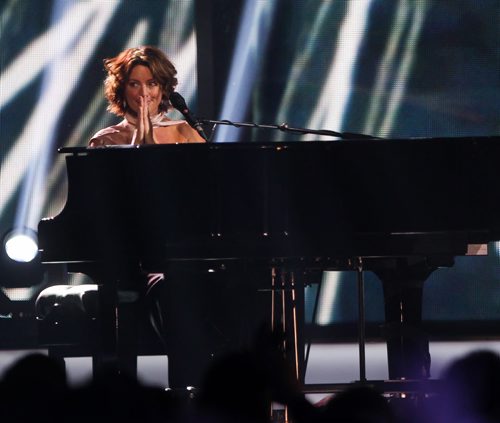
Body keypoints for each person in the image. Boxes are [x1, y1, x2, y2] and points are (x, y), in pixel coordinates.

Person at [87, 46, 215, 389]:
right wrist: (139, 147)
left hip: (187, 252)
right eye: (134, 84)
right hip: (135, 260)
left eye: (152, 83)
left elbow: (211, 198)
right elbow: (103, 213)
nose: (144, 93)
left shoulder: (186, 133)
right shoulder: (104, 141)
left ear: (164, 87)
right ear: (121, 89)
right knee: (171, 289)